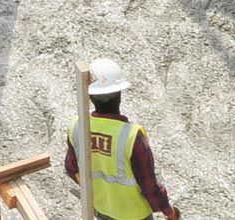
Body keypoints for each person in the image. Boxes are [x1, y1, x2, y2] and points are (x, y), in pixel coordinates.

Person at [65, 58, 180, 220]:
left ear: (91, 96)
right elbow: (149, 185)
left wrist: (97, 193)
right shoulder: (132, 136)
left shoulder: (77, 127)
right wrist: (169, 211)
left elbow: (71, 169)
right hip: (135, 215)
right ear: (119, 95)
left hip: (102, 210)